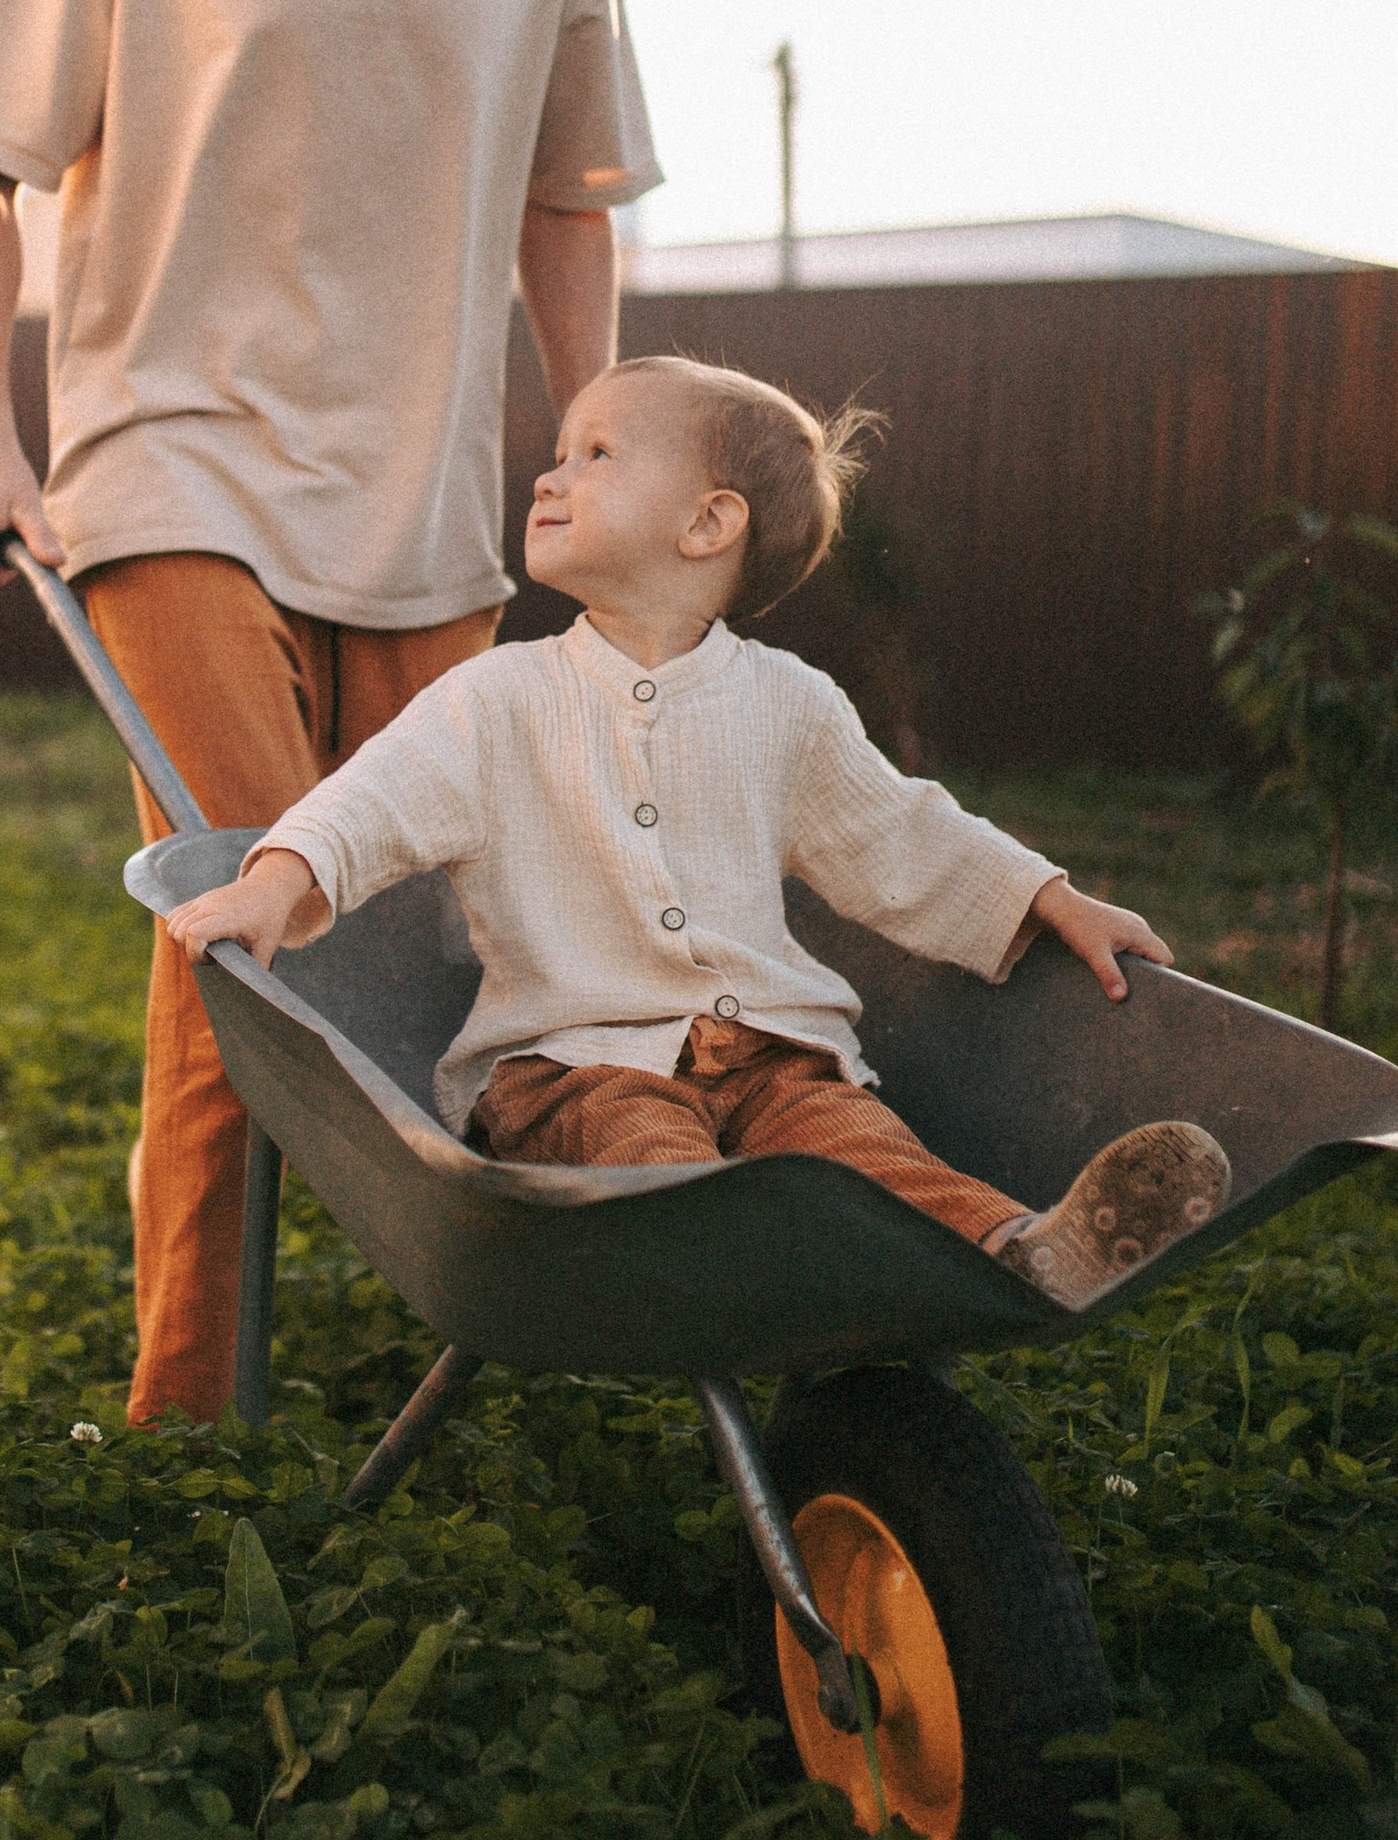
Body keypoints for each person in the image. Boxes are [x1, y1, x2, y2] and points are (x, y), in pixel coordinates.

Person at [0, 0, 661, 1422]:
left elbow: (564, 200)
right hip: (167, 473)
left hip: (418, 511)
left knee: (427, 944)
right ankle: (188, 1412)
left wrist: (588, 453)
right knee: (253, 921)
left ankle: (512, 1304)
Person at [165, 354, 1231, 1300]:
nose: (550, 476)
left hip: (778, 1054)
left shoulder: (789, 703)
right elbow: (371, 800)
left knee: (859, 1149)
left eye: (596, 454)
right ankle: (737, 1265)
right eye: (557, 453)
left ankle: (1019, 1250)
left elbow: (900, 838)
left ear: (707, 523)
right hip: (567, 1063)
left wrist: (1049, 897)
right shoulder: (496, 699)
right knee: (644, 1145)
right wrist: (272, 885)